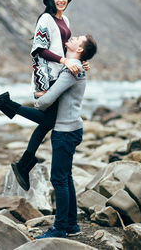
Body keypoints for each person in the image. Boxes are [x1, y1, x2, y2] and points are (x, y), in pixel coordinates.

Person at [0, 0, 89, 191]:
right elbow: (39, 49)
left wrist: (78, 60)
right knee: (49, 120)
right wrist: (64, 62)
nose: (61, 0)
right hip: (48, 75)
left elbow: (68, 49)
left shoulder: (65, 19)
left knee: (48, 122)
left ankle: (24, 162)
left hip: (61, 73)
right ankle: (8, 107)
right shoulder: (46, 19)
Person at [34, 34, 97, 239]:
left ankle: (60, 228)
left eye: (77, 38)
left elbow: (47, 101)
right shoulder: (76, 66)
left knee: (59, 179)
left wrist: (37, 97)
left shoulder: (72, 70)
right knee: (66, 177)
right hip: (71, 128)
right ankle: (72, 225)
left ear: (79, 49)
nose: (72, 37)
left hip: (65, 131)